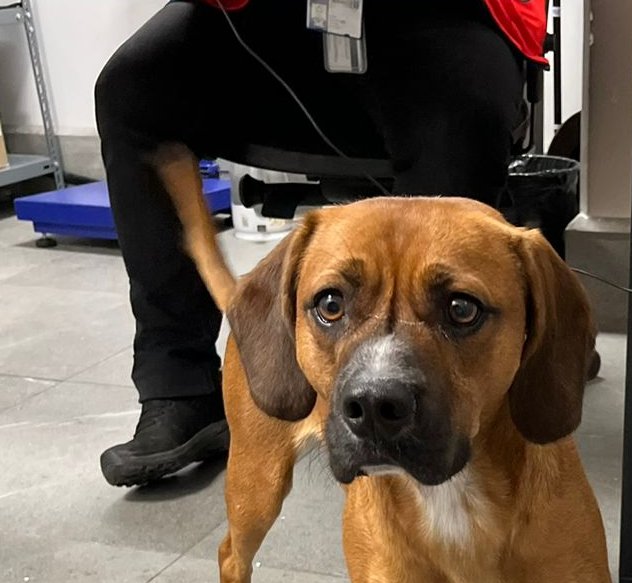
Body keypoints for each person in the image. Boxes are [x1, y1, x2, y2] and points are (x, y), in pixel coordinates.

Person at [95, 0, 547, 487]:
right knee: (131, 91)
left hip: (446, 16)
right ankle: (179, 385)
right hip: (263, 22)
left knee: (465, 113)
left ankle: (451, 404)